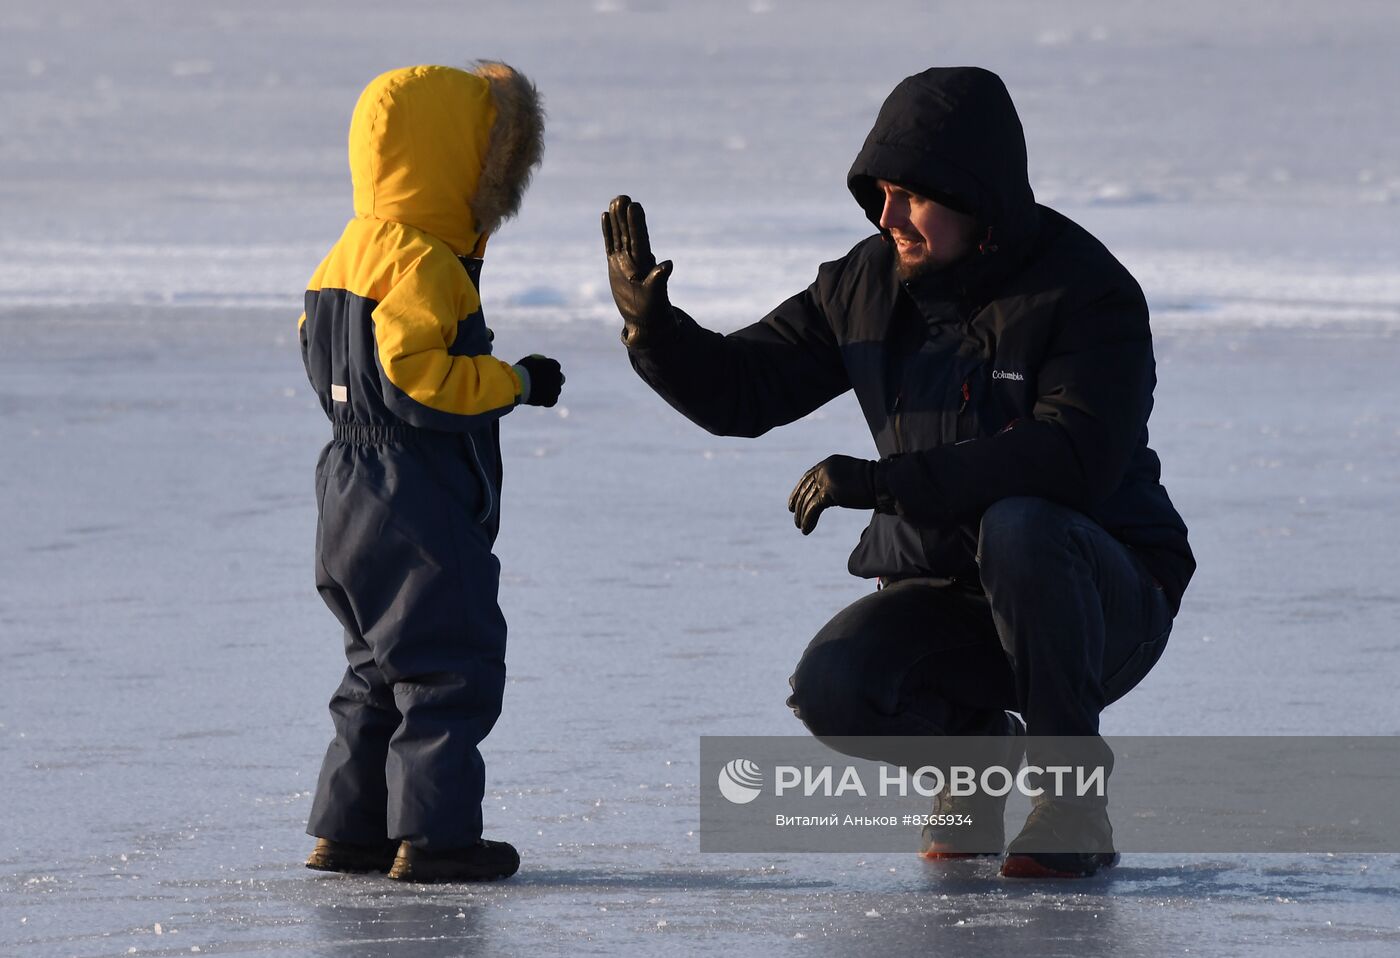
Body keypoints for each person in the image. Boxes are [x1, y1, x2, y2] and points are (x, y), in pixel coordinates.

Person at [602, 66, 1194, 879]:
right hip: (955, 595)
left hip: (1103, 600)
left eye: (910, 196)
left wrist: (886, 485)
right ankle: (973, 760)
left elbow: (1074, 461)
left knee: (1022, 522)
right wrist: (655, 332)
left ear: (974, 194)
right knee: (837, 687)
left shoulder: (1087, 293)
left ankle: (1071, 798)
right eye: (879, 194)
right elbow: (747, 389)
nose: (888, 218)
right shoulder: (867, 283)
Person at [299, 63, 561, 883]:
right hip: (414, 491)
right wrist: (513, 383)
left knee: (376, 667)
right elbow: (418, 378)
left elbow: (319, 349)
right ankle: (437, 837)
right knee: (450, 662)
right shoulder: (425, 263)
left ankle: (352, 830)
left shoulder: (346, 250)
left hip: (344, 486)